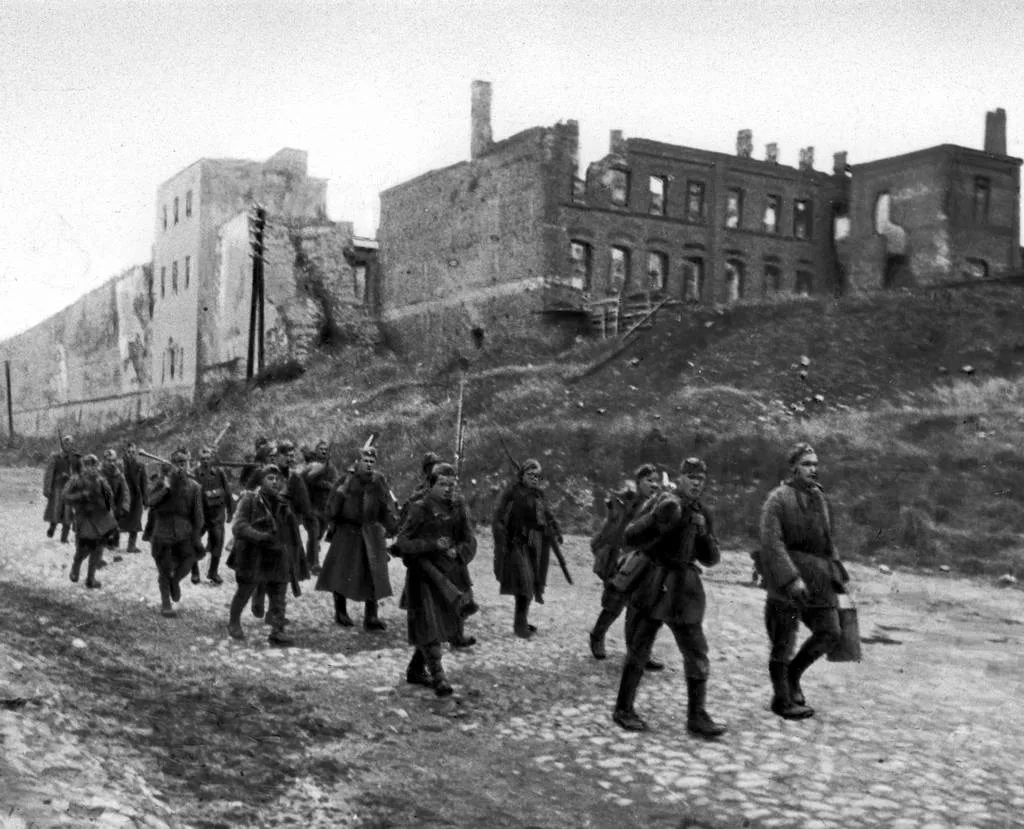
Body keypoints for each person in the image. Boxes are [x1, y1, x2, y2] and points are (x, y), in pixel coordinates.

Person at [612, 457, 726, 737]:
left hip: (683, 588)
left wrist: (703, 534)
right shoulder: (663, 502)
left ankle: (696, 716)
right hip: (653, 580)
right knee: (639, 648)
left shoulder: (703, 513)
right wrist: (657, 519)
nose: (697, 483)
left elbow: (711, 559)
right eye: (691, 477)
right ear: (680, 477)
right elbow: (630, 536)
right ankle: (623, 709)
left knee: (696, 651)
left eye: (701, 479)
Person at [758, 443, 850, 720]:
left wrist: (837, 574)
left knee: (831, 632)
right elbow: (771, 543)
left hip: (819, 577)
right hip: (788, 583)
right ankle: (781, 699)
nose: (813, 469)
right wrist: (791, 579)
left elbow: (827, 540)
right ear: (793, 467)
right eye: (807, 464)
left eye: (815, 464)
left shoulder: (818, 498)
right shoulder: (777, 499)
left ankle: (793, 674)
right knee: (783, 642)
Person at [394, 462, 477, 696]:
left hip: (451, 574)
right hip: (424, 575)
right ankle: (439, 677)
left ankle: (415, 669)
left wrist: (459, 552)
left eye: (452, 484)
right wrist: (431, 545)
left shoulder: (458, 508)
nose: (448, 489)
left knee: (443, 624)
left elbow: (470, 541)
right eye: (442, 484)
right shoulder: (419, 508)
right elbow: (402, 543)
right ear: (431, 485)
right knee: (429, 624)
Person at [589, 463, 664, 670]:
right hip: (619, 559)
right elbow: (612, 528)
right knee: (614, 604)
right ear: (638, 482)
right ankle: (597, 636)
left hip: (641, 561)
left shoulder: (656, 503)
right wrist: (601, 550)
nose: (653, 485)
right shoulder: (627, 501)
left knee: (640, 610)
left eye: (655, 481)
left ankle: (640, 653)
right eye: (649, 480)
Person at [400, 452, 479, 648]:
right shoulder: (419, 498)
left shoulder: (457, 502)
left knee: (459, 598)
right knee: (430, 609)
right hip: (428, 562)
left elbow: (468, 536)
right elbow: (405, 536)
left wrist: (460, 552)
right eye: (430, 467)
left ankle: (456, 635)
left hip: (452, 561)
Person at [316, 444, 398, 631]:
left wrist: (392, 526)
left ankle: (371, 616)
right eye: (365, 460)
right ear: (357, 461)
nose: (368, 464)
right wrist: (342, 491)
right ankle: (340, 612)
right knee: (341, 573)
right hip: (347, 532)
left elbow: (385, 506)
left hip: (371, 532)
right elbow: (331, 511)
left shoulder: (378, 481)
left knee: (373, 574)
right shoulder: (344, 480)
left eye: (372, 461)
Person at [491, 458, 562, 639]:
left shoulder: (539, 494)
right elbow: (498, 517)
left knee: (533, 584)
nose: (535, 479)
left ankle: (521, 621)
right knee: (524, 584)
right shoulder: (512, 493)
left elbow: (548, 514)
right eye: (530, 475)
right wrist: (502, 540)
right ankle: (519, 625)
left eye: (538, 476)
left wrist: (556, 529)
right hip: (517, 543)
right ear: (522, 475)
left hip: (537, 544)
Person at [227, 465, 297, 645]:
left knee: (279, 591)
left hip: (275, 554)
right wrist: (260, 537)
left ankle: (277, 631)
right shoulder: (249, 499)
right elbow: (238, 526)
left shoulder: (282, 503)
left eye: (277, 479)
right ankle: (234, 621)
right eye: (270, 478)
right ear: (261, 481)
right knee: (245, 590)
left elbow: (288, 528)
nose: (275, 482)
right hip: (253, 553)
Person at [146, 447, 204, 618]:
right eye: (177, 463)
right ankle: (166, 604)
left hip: (184, 532)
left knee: (189, 559)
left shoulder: (195, 486)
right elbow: (150, 502)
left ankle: (175, 580)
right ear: (171, 465)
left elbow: (198, 514)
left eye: (183, 463)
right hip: (162, 530)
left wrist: (196, 535)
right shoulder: (162, 483)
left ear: (188, 464)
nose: (181, 467)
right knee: (163, 568)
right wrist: (165, 488)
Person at [61, 454, 117, 589]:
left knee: (97, 551)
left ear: (97, 466)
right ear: (83, 466)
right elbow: (65, 496)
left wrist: (105, 504)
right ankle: (75, 568)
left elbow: (110, 497)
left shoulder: (101, 480)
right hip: (83, 519)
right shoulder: (76, 480)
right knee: (82, 549)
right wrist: (81, 495)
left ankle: (90, 579)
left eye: (93, 465)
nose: (90, 468)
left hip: (100, 521)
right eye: (87, 465)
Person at [193, 446, 235, 585]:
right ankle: (195, 572)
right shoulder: (195, 473)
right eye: (203, 459)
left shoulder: (219, 472)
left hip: (217, 515)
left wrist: (230, 510)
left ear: (212, 458)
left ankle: (213, 572)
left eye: (208, 458)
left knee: (218, 543)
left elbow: (227, 491)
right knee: (194, 541)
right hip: (201, 515)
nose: (206, 461)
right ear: (200, 460)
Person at [302, 440, 338, 576]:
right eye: (320, 449)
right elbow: (305, 480)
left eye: (325, 449)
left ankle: (307, 561)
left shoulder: (331, 468)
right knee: (313, 533)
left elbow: (335, 484)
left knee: (317, 537)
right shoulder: (311, 465)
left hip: (324, 508)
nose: (323, 451)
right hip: (311, 506)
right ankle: (315, 564)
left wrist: (322, 483)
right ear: (316, 450)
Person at [43, 434, 81, 543]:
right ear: (63, 444)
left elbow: (81, 473)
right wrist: (47, 488)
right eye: (66, 444)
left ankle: (64, 538)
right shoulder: (55, 457)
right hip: (57, 489)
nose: (69, 446)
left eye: (71, 444)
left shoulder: (76, 458)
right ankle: (52, 527)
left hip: (71, 489)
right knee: (56, 511)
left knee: (68, 513)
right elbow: (49, 474)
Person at [119, 441, 149, 553]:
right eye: (128, 452)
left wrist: (145, 500)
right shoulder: (120, 465)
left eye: (133, 452)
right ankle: (110, 543)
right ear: (125, 452)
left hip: (136, 497)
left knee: (136, 522)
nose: (131, 454)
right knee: (118, 520)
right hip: (123, 497)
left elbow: (144, 483)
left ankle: (131, 546)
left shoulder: (140, 466)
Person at [99, 448, 130, 551]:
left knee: (115, 526)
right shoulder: (99, 474)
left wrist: (125, 506)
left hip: (116, 505)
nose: (111, 463)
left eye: (113, 460)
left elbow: (125, 491)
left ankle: (114, 544)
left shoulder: (119, 476)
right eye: (108, 460)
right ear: (104, 461)